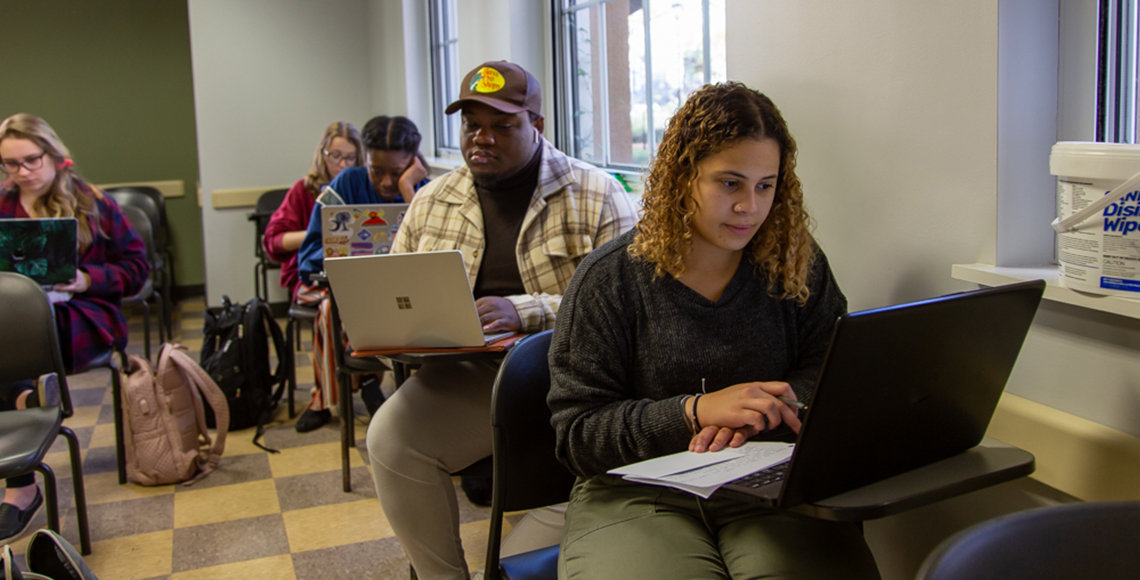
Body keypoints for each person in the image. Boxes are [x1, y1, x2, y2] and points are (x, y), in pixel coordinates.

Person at [546, 83, 880, 579]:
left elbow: (829, 367)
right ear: (683, 178)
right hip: (636, 491)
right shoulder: (610, 278)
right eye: (730, 183)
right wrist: (694, 412)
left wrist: (767, 411)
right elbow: (579, 435)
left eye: (766, 185)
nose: (750, 206)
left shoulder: (795, 262)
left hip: (767, 478)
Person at [364, 60, 638, 579]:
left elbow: (628, 307)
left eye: (502, 125)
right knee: (391, 439)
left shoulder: (597, 192)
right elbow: (398, 286)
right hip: (471, 378)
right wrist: (385, 326)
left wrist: (524, 308)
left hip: (576, 379)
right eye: (472, 125)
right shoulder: (432, 201)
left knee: (537, 537)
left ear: (536, 125)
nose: (482, 138)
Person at [0, 113, 149, 542]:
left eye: (30, 160)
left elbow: (136, 269)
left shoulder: (92, 203)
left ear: (55, 155)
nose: (21, 173)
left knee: (14, 347)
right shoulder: (1, 203)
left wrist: (87, 280)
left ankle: (21, 485)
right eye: (10, 164)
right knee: (8, 339)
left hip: (80, 316)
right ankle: (31, 400)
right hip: (14, 320)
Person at [293, 115, 431, 432]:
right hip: (339, 287)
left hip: (400, 293)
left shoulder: (424, 190)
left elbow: (432, 256)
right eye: (376, 171)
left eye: (396, 173)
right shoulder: (345, 184)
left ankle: (386, 391)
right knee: (332, 307)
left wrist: (407, 189)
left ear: (414, 163)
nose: (384, 182)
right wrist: (344, 257)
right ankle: (329, 397)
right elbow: (308, 254)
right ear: (364, 160)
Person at [262, 121, 363, 301]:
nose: (342, 165)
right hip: (312, 273)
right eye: (335, 156)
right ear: (323, 155)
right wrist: (319, 233)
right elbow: (273, 242)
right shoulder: (304, 190)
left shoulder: (362, 189)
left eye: (350, 158)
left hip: (354, 272)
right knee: (340, 301)